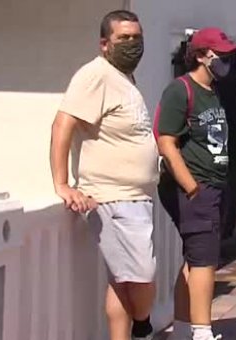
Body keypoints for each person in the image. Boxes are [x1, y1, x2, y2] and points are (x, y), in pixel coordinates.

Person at [50, 10, 156, 340]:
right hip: (114, 199)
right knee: (142, 277)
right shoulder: (95, 74)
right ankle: (143, 325)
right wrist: (62, 182)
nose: (132, 44)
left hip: (135, 199)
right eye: (123, 38)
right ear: (104, 44)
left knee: (123, 280)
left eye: (137, 38)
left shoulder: (123, 78)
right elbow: (62, 124)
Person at [155, 27, 236, 340]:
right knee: (205, 261)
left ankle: (181, 328)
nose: (228, 60)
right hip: (197, 187)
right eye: (223, 54)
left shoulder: (212, 91)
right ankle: (203, 332)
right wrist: (192, 187)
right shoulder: (180, 90)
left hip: (213, 184)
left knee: (195, 259)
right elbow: (166, 142)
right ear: (203, 56)